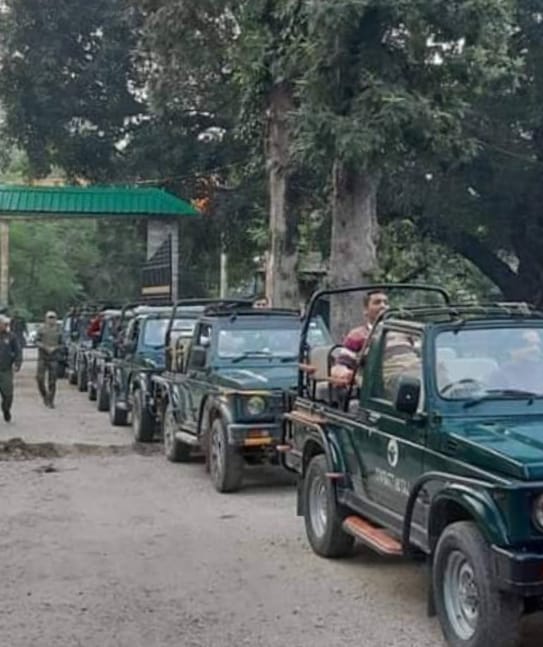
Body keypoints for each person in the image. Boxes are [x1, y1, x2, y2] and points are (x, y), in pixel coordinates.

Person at [331, 290, 389, 382]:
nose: (383, 306)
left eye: (386, 303)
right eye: (377, 302)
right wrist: (344, 373)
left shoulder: (402, 331)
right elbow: (340, 367)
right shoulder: (357, 335)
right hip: (378, 386)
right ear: (366, 310)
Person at [36, 311, 63, 408]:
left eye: (53, 318)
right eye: (49, 318)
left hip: (54, 357)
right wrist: (44, 347)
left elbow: (62, 343)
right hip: (43, 357)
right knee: (40, 378)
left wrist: (56, 348)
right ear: (46, 319)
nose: (51, 320)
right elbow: (36, 341)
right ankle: (45, 395)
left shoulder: (59, 330)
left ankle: (50, 400)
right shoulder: (41, 329)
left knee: (52, 380)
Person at [0, 315, 22, 421]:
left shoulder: (11, 337)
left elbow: (18, 351)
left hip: (5, 370)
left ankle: (6, 409)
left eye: (4, 324)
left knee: (8, 395)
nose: (4, 326)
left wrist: (17, 363)